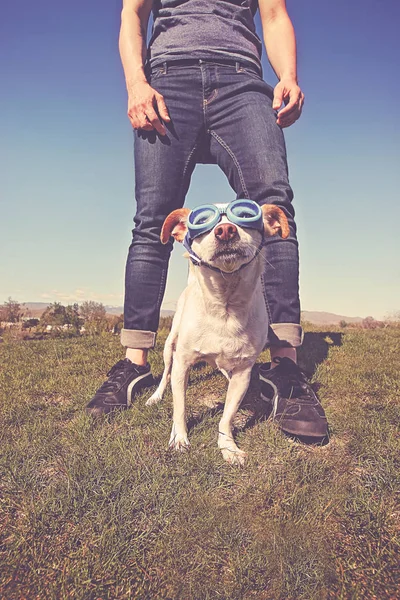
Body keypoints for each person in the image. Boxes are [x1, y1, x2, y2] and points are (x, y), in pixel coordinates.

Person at [86, 0, 328, 440]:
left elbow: (273, 15)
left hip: (242, 79)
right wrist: (136, 83)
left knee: (272, 206)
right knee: (152, 221)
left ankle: (284, 369)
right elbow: (132, 16)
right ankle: (135, 364)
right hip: (167, 78)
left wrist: (288, 75)